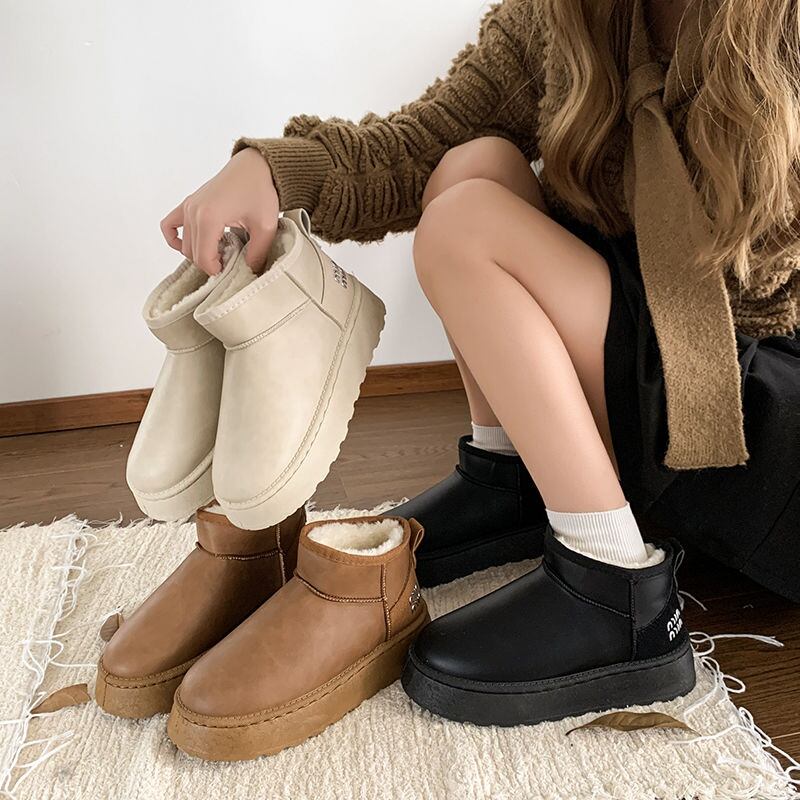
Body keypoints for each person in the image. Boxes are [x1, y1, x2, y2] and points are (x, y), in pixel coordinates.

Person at [159, 0, 800, 725]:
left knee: (466, 226)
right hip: (654, 347)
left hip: (756, 408)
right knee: (473, 164)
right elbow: (416, 147)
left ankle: (618, 593)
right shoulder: (568, 18)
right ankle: (514, 478)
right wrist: (272, 172)